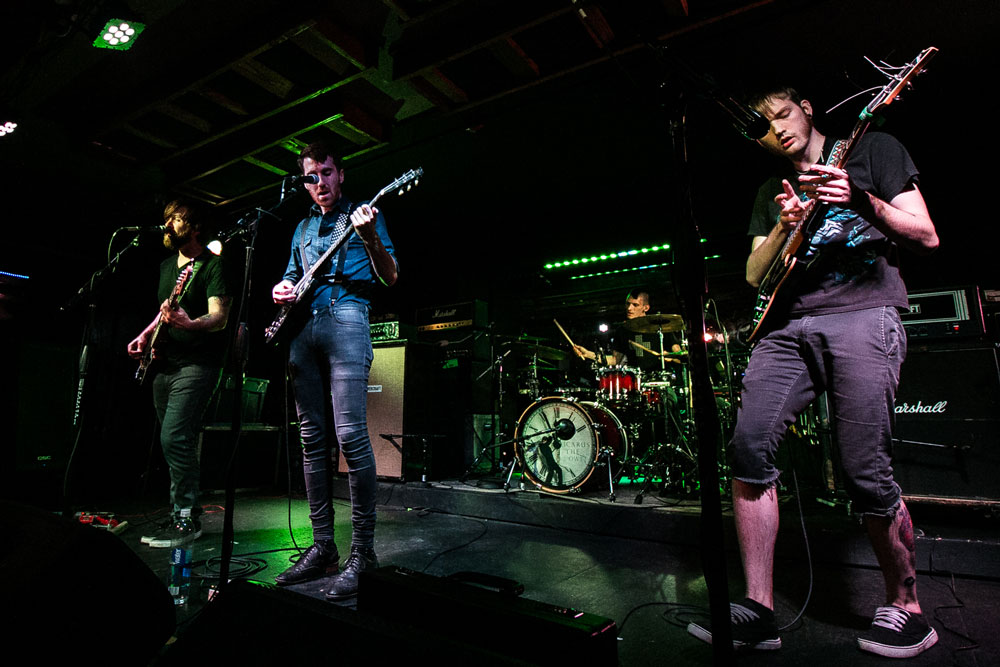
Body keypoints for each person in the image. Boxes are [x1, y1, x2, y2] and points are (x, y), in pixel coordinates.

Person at [686, 85, 939, 658]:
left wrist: (861, 200)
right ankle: (757, 609)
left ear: (805, 107)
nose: (777, 128)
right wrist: (784, 224)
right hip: (786, 327)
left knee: (862, 467)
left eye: (781, 112)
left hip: (862, 313)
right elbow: (754, 274)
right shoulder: (767, 190)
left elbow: (926, 234)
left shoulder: (872, 150)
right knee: (748, 447)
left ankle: (908, 608)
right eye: (764, 125)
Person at [271, 142, 398, 600]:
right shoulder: (302, 229)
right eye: (311, 176)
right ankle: (323, 544)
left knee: (350, 436)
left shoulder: (365, 215)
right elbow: (291, 276)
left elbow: (390, 276)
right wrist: (282, 288)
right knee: (310, 436)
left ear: (341, 175)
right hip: (303, 327)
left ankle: (363, 553)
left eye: (326, 173)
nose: (319, 183)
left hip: (347, 316)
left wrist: (366, 236)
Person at [127, 200, 231, 548]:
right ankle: (183, 513)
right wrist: (145, 333)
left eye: (178, 219)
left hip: (197, 364)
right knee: (175, 441)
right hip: (164, 363)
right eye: (167, 218)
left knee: (174, 436)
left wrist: (192, 323)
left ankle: (186, 518)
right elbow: (165, 310)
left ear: (196, 227)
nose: (169, 224)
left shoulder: (212, 266)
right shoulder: (166, 266)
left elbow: (219, 317)